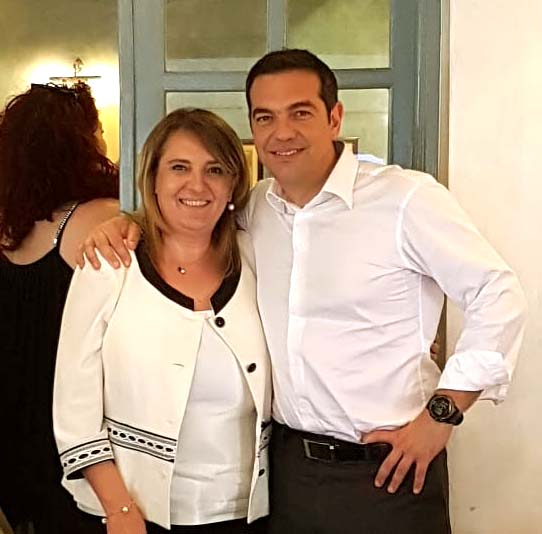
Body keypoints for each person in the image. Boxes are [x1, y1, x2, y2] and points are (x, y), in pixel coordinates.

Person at [81, 50, 527, 534]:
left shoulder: (405, 200)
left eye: (300, 112)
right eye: (265, 117)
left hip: (388, 470)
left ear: (334, 118)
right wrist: (126, 224)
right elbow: (190, 216)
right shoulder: (255, 210)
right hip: (287, 474)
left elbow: (496, 293)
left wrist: (443, 413)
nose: (282, 132)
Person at [53, 108, 271, 534]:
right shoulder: (108, 263)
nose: (197, 185)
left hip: (247, 513)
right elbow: (73, 409)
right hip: (135, 513)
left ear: (233, 184)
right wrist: (119, 509)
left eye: (215, 170)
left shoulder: (256, 257)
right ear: (153, 179)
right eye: (179, 168)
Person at [0, 82, 119, 533]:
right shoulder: (102, 217)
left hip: (10, 423)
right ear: (81, 142)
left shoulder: (8, 224)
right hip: (71, 427)